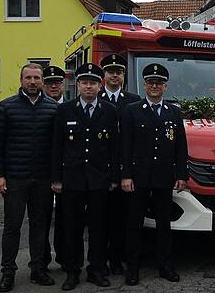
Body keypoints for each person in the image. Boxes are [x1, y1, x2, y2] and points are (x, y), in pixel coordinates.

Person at [0, 63, 58, 292]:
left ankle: (38, 269)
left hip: (42, 178)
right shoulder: (6, 107)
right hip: (15, 178)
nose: (32, 82)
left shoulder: (52, 108)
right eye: (28, 78)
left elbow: (56, 147)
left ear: (42, 81)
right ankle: (8, 272)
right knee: (12, 226)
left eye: (36, 78)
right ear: (21, 80)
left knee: (40, 226)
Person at [51, 63, 120, 290]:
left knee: (99, 228)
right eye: (84, 82)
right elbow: (57, 148)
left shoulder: (109, 111)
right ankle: (72, 270)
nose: (88, 86)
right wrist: (57, 178)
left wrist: (113, 177)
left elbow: (114, 147)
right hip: (72, 180)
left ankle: (96, 270)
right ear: (78, 85)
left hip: (100, 180)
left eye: (92, 82)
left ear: (100, 85)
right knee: (72, 228)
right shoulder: (64, 111)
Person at [120, 63, 187, 286]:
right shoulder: (132, 110)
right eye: (150, 82)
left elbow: (180, 147)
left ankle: (166, 266)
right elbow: (125, 146)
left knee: (164, 225)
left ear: (165, 87)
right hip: (137, 179)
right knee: (134, 224)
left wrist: (181, 174)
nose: (154, 86)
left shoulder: (174, 112)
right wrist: (126, 175)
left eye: (159, 83)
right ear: (145, 86)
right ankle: (133, 268)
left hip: (163, 178)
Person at [98, 54, 140, 275]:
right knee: (99, 218)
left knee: (121, 218)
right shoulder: (95, 97)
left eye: (119, 71)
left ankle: (117, 258)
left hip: (124, 168)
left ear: (124, 75)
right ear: (103, 75)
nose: (115, 75)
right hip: (100, 169)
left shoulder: (133, 100)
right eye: (110, 71)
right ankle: (99, 259)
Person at [41, 65, 66, 270]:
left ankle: (63, 257)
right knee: (42, 217)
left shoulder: (70, 107)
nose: (54, 86)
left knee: (64, 219)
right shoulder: (37, 106)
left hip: (66, 171)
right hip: (41, 170)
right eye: (49, 83)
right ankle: (41, 259)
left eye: (57, 82)